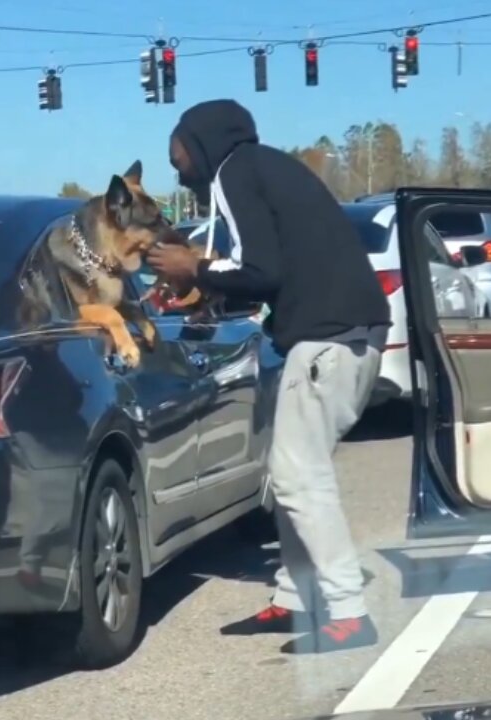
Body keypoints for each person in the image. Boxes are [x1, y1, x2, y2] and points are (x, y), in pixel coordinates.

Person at [147, 99, 390, 652]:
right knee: (291, 473)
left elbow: (261, 270)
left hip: (328, 340)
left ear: (201, 142)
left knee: (297, 475)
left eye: (176, 153)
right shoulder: (266, 168)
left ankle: (349, 610)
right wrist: (206, 290)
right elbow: (273, 274)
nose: (176, 168)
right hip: (345, 334)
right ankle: (296, 597)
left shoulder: (235, 171)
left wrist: (195, 268)